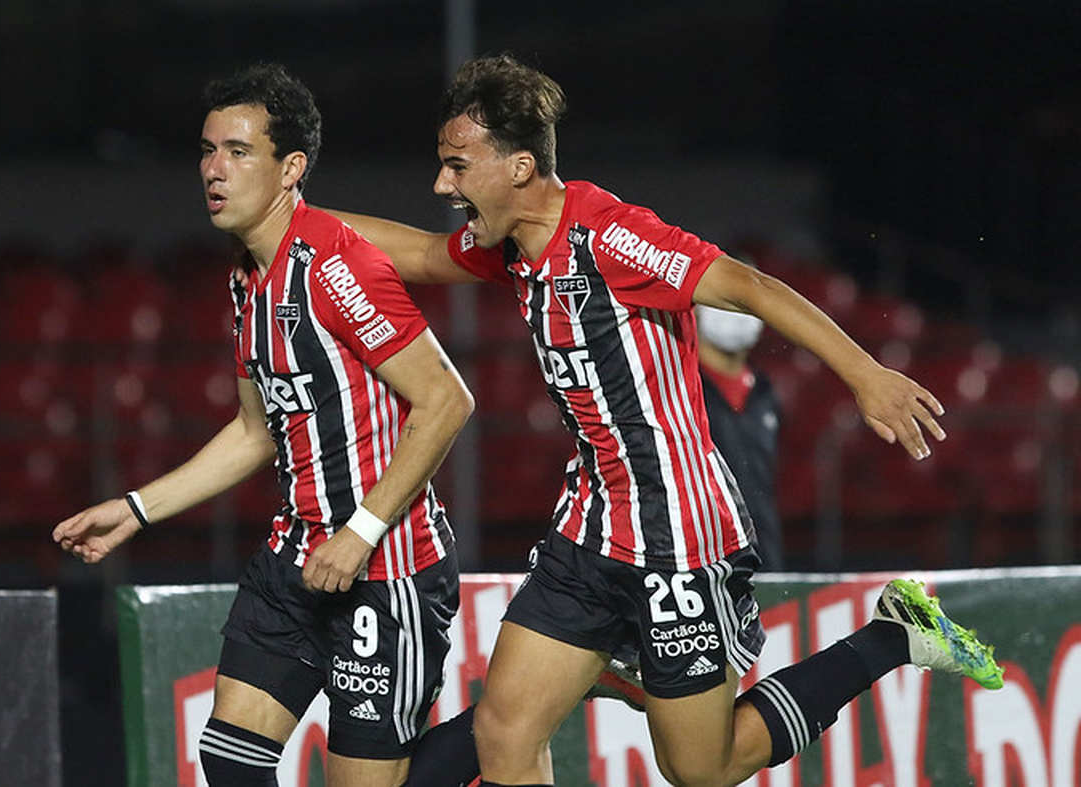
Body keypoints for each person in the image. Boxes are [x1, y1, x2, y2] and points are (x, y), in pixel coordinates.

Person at [329, 54, 1003, 787]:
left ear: (519, 166)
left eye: (458, 166)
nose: (442, 185)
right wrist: (289, 218)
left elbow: (748, 285)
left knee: (700, 768)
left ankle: (891, 636)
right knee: (503, 730)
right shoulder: (512, 249)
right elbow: (424, 253)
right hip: (589, 525)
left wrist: (866, 375)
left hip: (677, 531)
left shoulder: (609, 236)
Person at [52, 64, 475, 787]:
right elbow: (254, 431)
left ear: (291, 169)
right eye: (208, 149)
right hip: (296, 560)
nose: (214, 169)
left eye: (239, 152)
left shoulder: (334, 265)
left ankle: (523, 707)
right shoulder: (247, 275)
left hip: (386, 568)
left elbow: (447, 401)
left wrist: (360, 531)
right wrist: (134, 509)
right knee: (230, 759)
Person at [695, 299, 783, 570]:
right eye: (726, 299)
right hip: (699, 556)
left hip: (764, 554)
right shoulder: (676, 387)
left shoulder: (765, 392)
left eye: (745, 301)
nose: (736, 312)